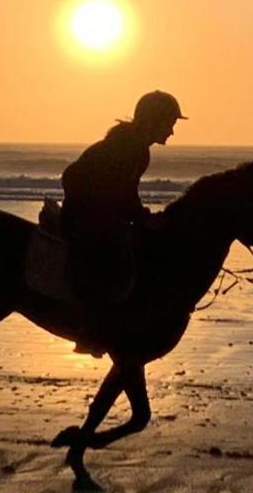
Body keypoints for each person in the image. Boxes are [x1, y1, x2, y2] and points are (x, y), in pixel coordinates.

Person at [60, 90, 186, 351]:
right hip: (85, 214)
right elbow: (120, 191)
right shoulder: (132, 147)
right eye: (170, 123)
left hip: (97, 209)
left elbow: (126, 192)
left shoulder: (135, 145)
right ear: (155, 120)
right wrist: (139, 217)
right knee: (109, 255)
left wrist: (139, 216)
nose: (172, 131)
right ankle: (91, 328)